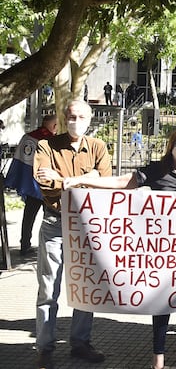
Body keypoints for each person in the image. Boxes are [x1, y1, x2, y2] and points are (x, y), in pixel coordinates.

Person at [63, 125, 176, 369]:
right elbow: (124, 182)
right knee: (161, 304)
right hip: (160, 251)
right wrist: (83, 182)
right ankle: (158, 357)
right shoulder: (158, 170)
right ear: (171, 145)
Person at [33, 100, 112, 369]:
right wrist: (86, 177)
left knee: (85, 288)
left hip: (85, 226)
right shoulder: (47, 146)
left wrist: (70, 179)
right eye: (71, 116)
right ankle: (44, 348)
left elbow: (105, 184)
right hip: (55, 224)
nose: (75, 120)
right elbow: (44, 182)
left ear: (90, 119)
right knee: (48, 289)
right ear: (64, 118)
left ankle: (80, 343)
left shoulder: (99, 147)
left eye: (81, 116)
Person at [12, 114, 58, 256]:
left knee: (28, 216)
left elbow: (20, 159)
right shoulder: (51, 140)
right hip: (46, 186)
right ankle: (47, 248)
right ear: (54, 126)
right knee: (50, 218)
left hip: (30, 185)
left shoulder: (28, 137)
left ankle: (24, 245)